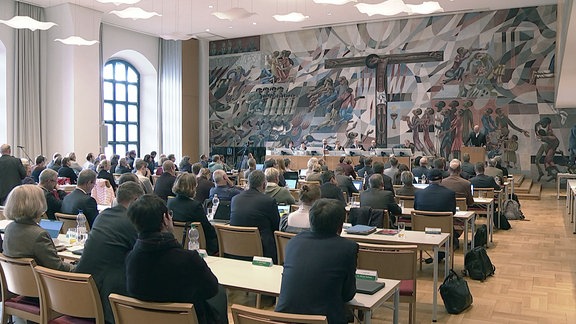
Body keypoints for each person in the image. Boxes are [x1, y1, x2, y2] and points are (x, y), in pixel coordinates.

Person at [126, 195, 228, 324]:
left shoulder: (131, 259)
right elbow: (211, 289)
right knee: (219, 294)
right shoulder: (188, 259)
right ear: (165, 219)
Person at [276, 199, 357, 323]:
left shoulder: (293, 242)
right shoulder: (348, 248)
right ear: (340, 226)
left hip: (284, 319)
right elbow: (348, 294)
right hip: (324, 320)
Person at [75, 182, 144, 324]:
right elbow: (143, 252)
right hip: (108, 298)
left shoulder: (102, 216)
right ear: (136, 201)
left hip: (82, 291)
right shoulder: (132, 220)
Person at [2, 185, 73, 271]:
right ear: (38, 203)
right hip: (43, 282)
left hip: (17, 280)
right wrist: (79, 268)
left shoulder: (9, 228)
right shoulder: (39, 235)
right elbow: (57, 267)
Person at [230, 170, 280, 263]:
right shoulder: (269, 201)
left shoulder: (235, 199)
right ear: (264, 185)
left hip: (235, 248)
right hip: (262, 252)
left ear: (248, 183)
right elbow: (276, 228)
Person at [168, 173, 218, 255]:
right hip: (196, 245)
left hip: (177, 243)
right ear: (193, 187)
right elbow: (208, 230)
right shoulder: (195, 206)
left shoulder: (170, 203)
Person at [414, 169, 459, 254]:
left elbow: (416, 209)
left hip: (422, 230)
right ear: (441, 179)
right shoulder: (450, 193)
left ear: (427, 179)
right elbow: (453, 212)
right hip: (444, 230)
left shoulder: (418, 193)